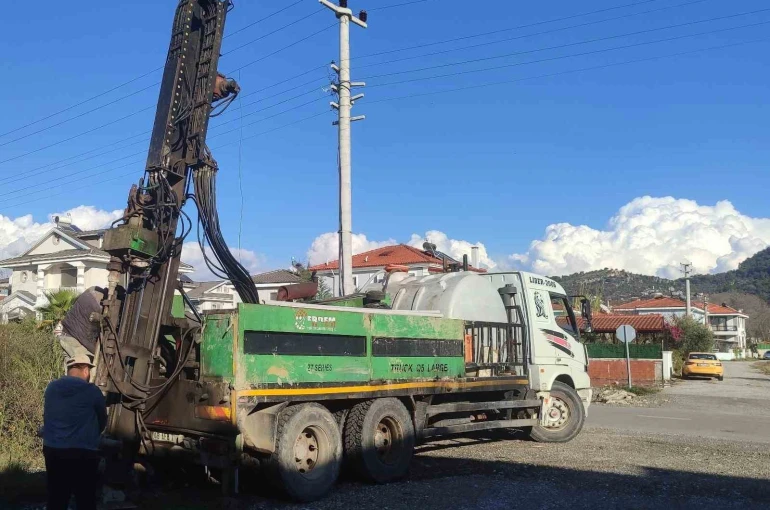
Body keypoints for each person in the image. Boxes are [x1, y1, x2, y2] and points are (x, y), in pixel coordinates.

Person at [42, 353, 107, 510]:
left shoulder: (51, 387)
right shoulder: (92, 391)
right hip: (82, 453)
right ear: (85, 370)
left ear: (69, 369)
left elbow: (48, 416)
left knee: (56, 498)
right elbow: (102, 420)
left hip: (53, 450)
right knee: (85, 499)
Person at [58, 286, 106, 363]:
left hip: (65, 335)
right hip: (75, 340)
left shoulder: (90, 292)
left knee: (71, 367)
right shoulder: (96, 306)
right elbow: (85, 337)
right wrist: (100, 354)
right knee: (82, 366)